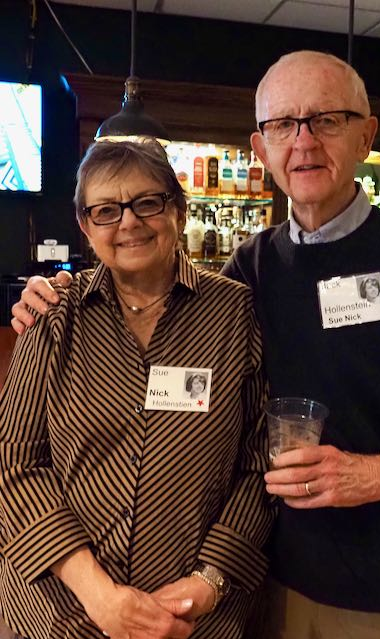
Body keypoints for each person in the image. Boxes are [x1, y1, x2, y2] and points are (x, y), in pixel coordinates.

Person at [10, 50, 380, 639]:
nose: (304, 141)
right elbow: (16, 464)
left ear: (366, 136)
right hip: (263, 586)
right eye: (283, 124)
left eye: (326, 119)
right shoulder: (251, 271)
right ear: (261, 148)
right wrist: (49, 293)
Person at [1, 138, 274, 639]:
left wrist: (208, 582)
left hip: (193, 619)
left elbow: (260, 462)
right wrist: (101, 597)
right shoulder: (53, 315)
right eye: (106, 210)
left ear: (179, 210)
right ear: (86, 226)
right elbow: (14, 463)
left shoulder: (234, 313)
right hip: (61, 614)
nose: (128, 222)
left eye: (147, 202)